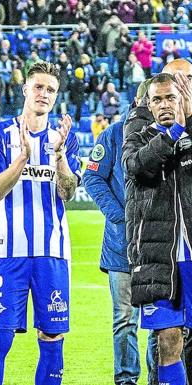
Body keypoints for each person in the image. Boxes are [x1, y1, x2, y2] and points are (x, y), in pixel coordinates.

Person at [0, 62, 81, 385]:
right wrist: (21, 158)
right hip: (10, 252)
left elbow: (67, 191)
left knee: (52, 339)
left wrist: (60, 155)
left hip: (52, 252)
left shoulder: (64, 138)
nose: (44, 94)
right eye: (38, 87)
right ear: (25, 90)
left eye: (50, 90)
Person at [84, 79, 156, 385]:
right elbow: (92, 178)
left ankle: (158, 377)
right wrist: (119, 216)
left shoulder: (166, 135)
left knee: (158, 320)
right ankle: (126, 379)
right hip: (120, 247)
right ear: (141, 102)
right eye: (153, 101)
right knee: (125, 319)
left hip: (156, 246)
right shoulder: (114, 134)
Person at [122, 72, 192, 385]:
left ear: (182, 100)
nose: (164, 104)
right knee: (168, 340)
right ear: (149, 106)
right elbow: (136, 165)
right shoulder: (138, 136)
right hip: (156, 257)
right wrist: (175, 131)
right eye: (157, 99)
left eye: (171, 97)